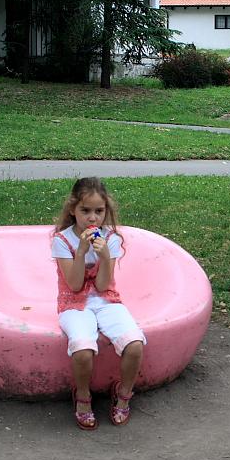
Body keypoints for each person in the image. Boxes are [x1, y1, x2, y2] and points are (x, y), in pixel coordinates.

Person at [52, 177, 146, 430]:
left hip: (106, 301)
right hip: (74, 303)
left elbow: (104, 286)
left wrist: (104, 255)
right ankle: (83, 398)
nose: (92, 218)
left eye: (99, 211)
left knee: (135, 345)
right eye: (85, 211)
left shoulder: (111, 239)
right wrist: (81, 251)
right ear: (73, 210)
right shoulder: (62, 241)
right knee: (82, 350)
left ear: (106, 211)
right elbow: (73, 284)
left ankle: (123, 394)